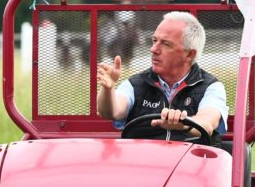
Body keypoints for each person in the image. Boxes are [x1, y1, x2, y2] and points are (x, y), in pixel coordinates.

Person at [96, 11, 228, 142]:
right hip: (141, 160)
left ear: (189, 54)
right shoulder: (135, 84)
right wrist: (108, 89)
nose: (153, 49)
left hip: (191, 161)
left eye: (165, 44)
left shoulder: (211, 87)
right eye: (154, 41)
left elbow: (207, 123)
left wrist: (183, 124)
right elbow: (111, 111)